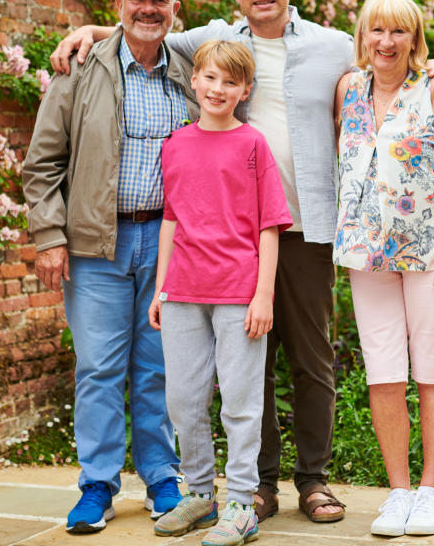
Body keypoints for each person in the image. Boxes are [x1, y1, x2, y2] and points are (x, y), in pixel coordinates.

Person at [50, 0, 434, 523]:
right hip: (241, 235)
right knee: (252, 361)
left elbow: (390, 65)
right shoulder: (212, 42)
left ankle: (314, 481)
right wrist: (90, 34)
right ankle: (261, 485)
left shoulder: (329, 46)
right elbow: (147, 31)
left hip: (312, 225)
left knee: (312, 358)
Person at [22, 0, 199, 534]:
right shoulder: (79, 70)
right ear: (118, 3)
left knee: (158, 367)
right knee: (98, 367)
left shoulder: (195, 70)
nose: (149, 8)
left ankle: (161, 477)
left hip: (171, 244)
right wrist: (49, 237)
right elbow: (42, 163)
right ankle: (97, 484)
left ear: (176, 9)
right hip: (97, 244)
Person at [332, 0, 434, 537]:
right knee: (384, 374)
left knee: (433, 371)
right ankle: (397, 492)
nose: (386, 41)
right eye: (377, 29)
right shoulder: (347, 90)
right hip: (366, 256)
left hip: (431, 255)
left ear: (415, 38)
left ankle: (431, 491)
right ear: (362, 35)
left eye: (399, 31)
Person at [148, 40, 292, 546]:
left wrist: (264, 295)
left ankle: (241, 503)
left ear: (245, 91)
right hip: (184, 291)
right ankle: (200, 494)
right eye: (211, 78)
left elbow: (269, 226)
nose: (218, 89)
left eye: (231, 82)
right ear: (195, 81)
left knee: (240, 401)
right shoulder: (176, 144)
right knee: (183, 399)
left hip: (238, 292)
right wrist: (161, 288)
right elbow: (171, 219)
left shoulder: (253, 145)